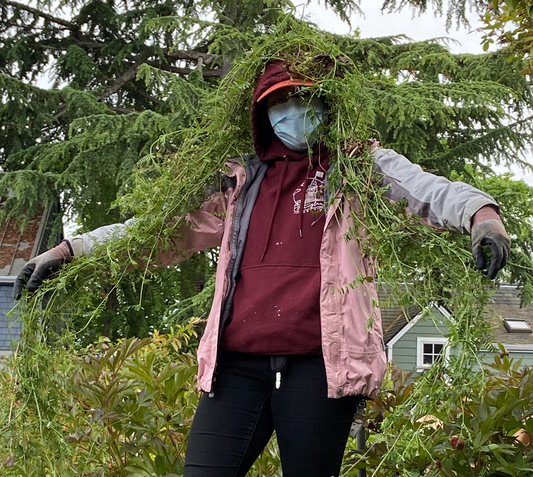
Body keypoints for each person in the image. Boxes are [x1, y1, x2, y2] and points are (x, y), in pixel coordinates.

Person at [14, 60, 510, 477]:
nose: (292, 111)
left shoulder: (359, 167)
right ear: (262, 111)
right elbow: (155, 231)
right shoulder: (237, 180)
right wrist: (70, 251)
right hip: (237, 368)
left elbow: (428, 190)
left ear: (327, 102)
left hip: (320, 368)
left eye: (303, 98)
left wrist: (481, 217)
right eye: (279, 102)